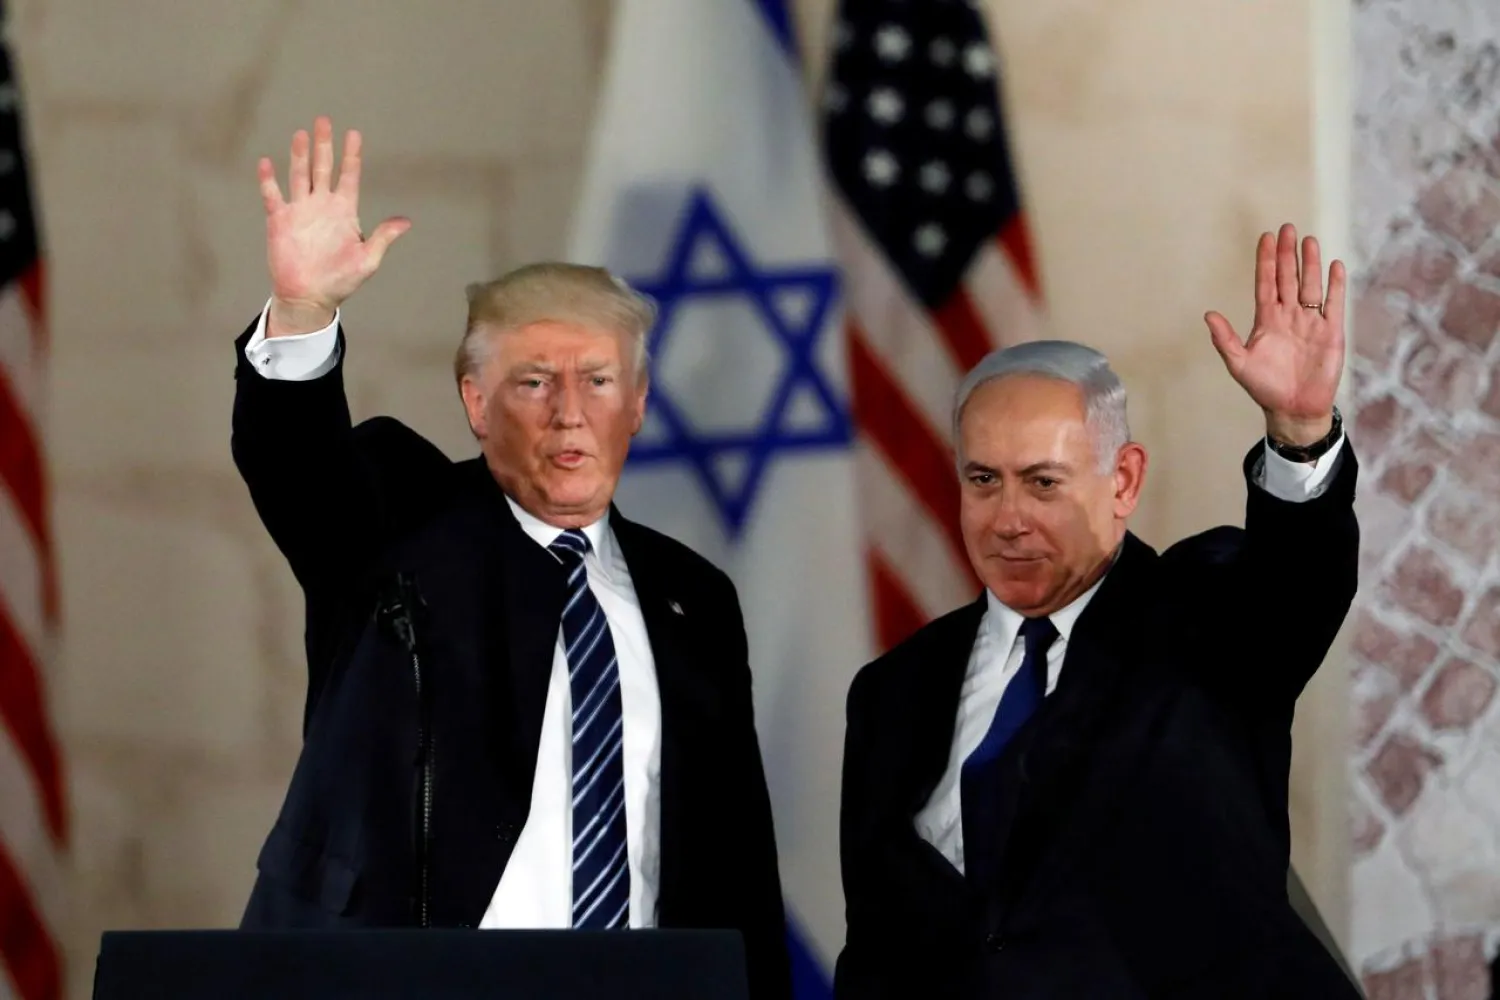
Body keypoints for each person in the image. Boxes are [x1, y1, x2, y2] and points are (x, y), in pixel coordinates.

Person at [232, 116, 791, 1000]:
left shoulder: (693, 597)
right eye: (533, 381)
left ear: (638, 402)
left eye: (598, 380)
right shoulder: (398, 517)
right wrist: (304, 310)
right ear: (476, 401)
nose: (570, 411)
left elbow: (734, 859)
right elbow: (300, 471)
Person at [834, 225, 1361, 999]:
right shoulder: (892, 692)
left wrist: (1300, 436)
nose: (1007, 517)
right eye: (983, 480)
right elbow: (877, 955)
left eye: (1042, 483)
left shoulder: (1207, 622)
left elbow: (1297, 584)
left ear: (1123, 481)